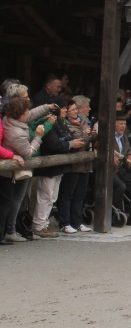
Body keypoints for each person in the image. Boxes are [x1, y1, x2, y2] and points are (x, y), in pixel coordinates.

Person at [32, 97, 83, 238]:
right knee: (45, 196)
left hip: (58, 165)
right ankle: (38, 225)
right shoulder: (48, 123)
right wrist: (70, 144)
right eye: (64, 108)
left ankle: (44, 225)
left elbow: (66, 137)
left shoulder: (60, 123)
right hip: (48, 165)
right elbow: (53, 143)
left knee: (52, 197)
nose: (66, 110)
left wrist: (69, 142)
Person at [0, 97, 45, 243]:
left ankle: (10, 230)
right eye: (26, 112)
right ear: (20, 114)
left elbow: (31, 114)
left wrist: (47, 107)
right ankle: (8, 231)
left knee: (14, 200)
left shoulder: (8, 120)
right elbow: (27, 152)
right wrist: (38, 137)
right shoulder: (16, 133)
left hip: (13, 166)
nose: (28, 114)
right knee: (12, 201)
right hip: (11, 170)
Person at [57, 97, 96, 234]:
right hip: (73, 162)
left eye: (76, 109)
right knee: (68, 193)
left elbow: (89, 134)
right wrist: (88, 135)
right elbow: (74, 139)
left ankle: (77, 222)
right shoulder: (64, 123)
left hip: (86, 162)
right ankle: (65, 222)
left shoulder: (84, 120)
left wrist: (90, 134)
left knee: (80, 194)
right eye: (72, 109)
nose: (75, 112)